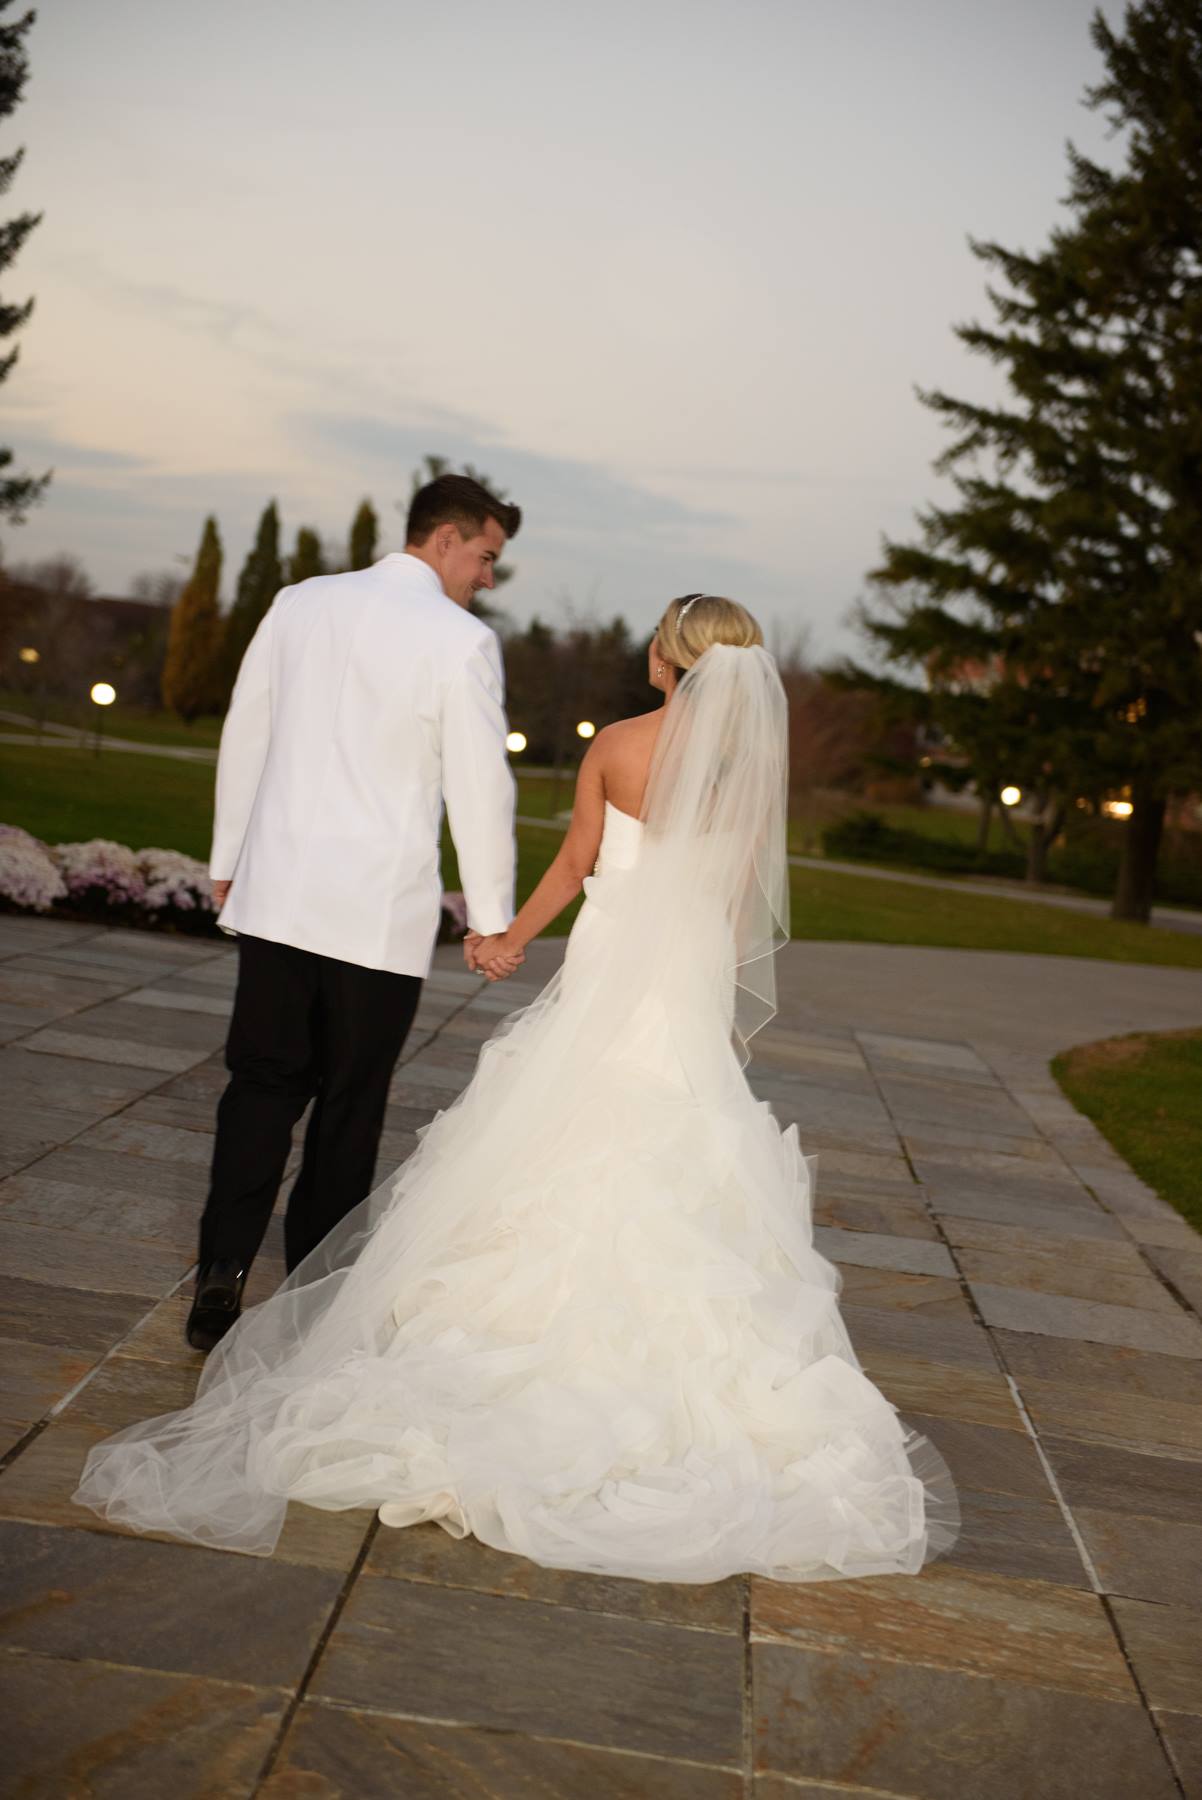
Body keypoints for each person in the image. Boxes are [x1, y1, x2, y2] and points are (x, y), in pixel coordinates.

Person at [75, 594, 957, 1585]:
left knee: (559, 1123)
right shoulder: (739, 770)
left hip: (613, 963)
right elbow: (733, 895)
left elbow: (579, 861)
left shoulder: (619, 745)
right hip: (685, 974)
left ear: (665, 656)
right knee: (685, 1129)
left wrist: (506, 940)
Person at [185, 474, 523, 1352]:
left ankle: (219, 1275)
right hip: (375, 918)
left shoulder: (301, 602)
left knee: (258, 1089)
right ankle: (305, 1301)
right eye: (486, 557)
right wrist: (488, 916)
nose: (488, 578)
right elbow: (480, 790)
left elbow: (245, 731)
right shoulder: (460, 643)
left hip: (281, 895)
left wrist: (229, 861)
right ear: (444, 539)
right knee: (349, 1106)